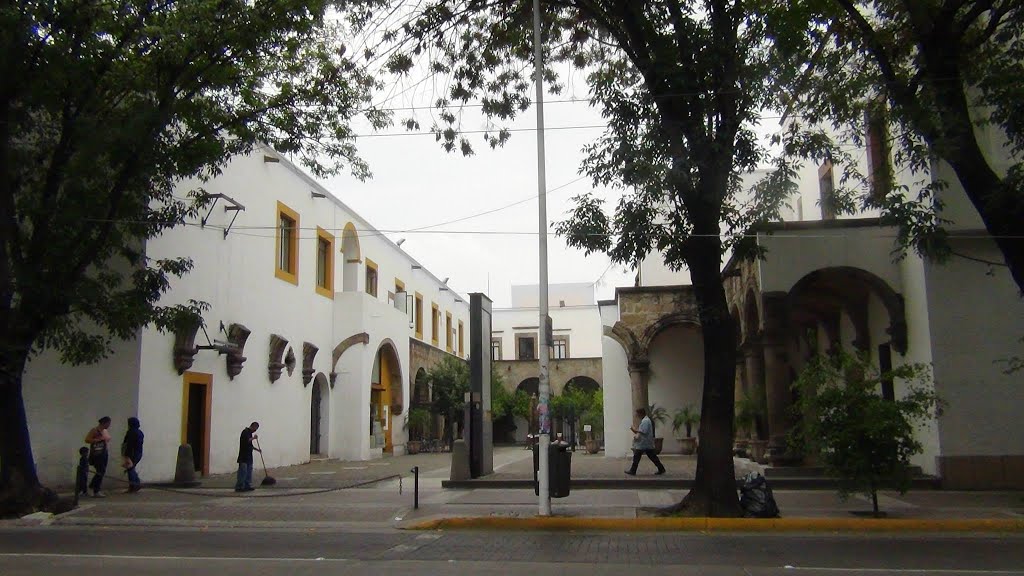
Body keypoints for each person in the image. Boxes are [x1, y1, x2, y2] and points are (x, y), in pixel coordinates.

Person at [626, 407, 666, 476]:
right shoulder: (645, 420)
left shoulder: (645, 421)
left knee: (637, 457)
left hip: (644, 443)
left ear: (640, 414)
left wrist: (635, 430)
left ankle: (633, 471)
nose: (637, 415)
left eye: (637, 414)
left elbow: (644, 431)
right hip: (646, 443)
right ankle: (661, 468)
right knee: (652, 457)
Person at [84, 416, 112, 497]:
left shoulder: (105, 431)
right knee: (100, 470)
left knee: (102, 471)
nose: (109, 425)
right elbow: (87, 439)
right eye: (108, 423)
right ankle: (95, 489)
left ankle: (94, 487)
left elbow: (108, 439)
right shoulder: (94, 430)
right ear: (104, 423)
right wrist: (98, 440)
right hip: (97, 453)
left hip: (104, 452)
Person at [234, 421, 261, 492]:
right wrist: (254, 438)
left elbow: (250, 446)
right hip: (243, 456)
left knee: (249, 471)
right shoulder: (245, 432)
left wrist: (257, 450)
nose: (255, 430)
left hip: (249, 456)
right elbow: (246, 441)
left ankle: (247, 485)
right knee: (243, 472)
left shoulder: (250, 433)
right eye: (255, 429)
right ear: (253, 426)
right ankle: (239, 486)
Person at [121, 417, 144, 493]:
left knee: (130, 469)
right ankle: (136, 484)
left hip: (132, 453)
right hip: (139, 452)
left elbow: (129, 445)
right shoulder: (140, 432)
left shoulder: (131, 432)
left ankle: (134, 485)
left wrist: (127, 455)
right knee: (132, 468)